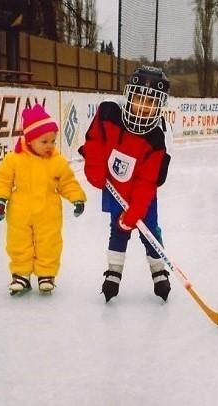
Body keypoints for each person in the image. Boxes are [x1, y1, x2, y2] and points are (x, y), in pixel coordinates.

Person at [79, 65, 173, 303]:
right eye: (140, 97)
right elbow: (94, 143)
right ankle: (114, 271)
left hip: (142, 196)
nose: (144, 106)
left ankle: (158, 269)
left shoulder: (158, 137)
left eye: (151, 102)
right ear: (129, 94)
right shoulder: (109, 113)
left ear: (160, 105)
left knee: (149, 231)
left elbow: (148, 181)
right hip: (116, 189)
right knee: (118, 230)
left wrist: (136, 211)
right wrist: (95, 168)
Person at [0, 103, 87, 295]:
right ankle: (21, 275)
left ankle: (46, 274)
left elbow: (67, 182)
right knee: (18, 243)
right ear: (30, 139)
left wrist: (76, 198)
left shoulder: (56, 161)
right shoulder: (14, 159)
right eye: (45, 141)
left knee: (49, 243)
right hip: (20, 212)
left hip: (48, 212)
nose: (50, 145)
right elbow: (3, 179)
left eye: (53, 141)